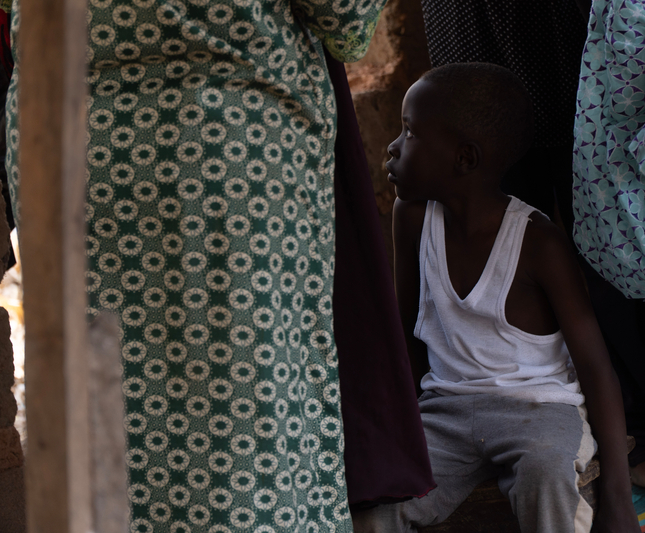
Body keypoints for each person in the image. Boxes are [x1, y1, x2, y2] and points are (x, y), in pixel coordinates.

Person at [6, 1, 388, 531]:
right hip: (217, 137)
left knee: (96, 395)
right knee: (239, 420)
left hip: (61, 133)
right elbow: (345, 22)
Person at [352, 63, 639, 533]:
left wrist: (620, 497)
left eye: (409, 133)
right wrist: (392, 431)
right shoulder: (412, 215)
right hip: (444, 409)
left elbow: (595, 367)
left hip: (540, 409)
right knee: (376, 509)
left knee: (545, 475)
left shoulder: (538, 242)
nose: (392, 147)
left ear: (464, 159)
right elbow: (405, 331)